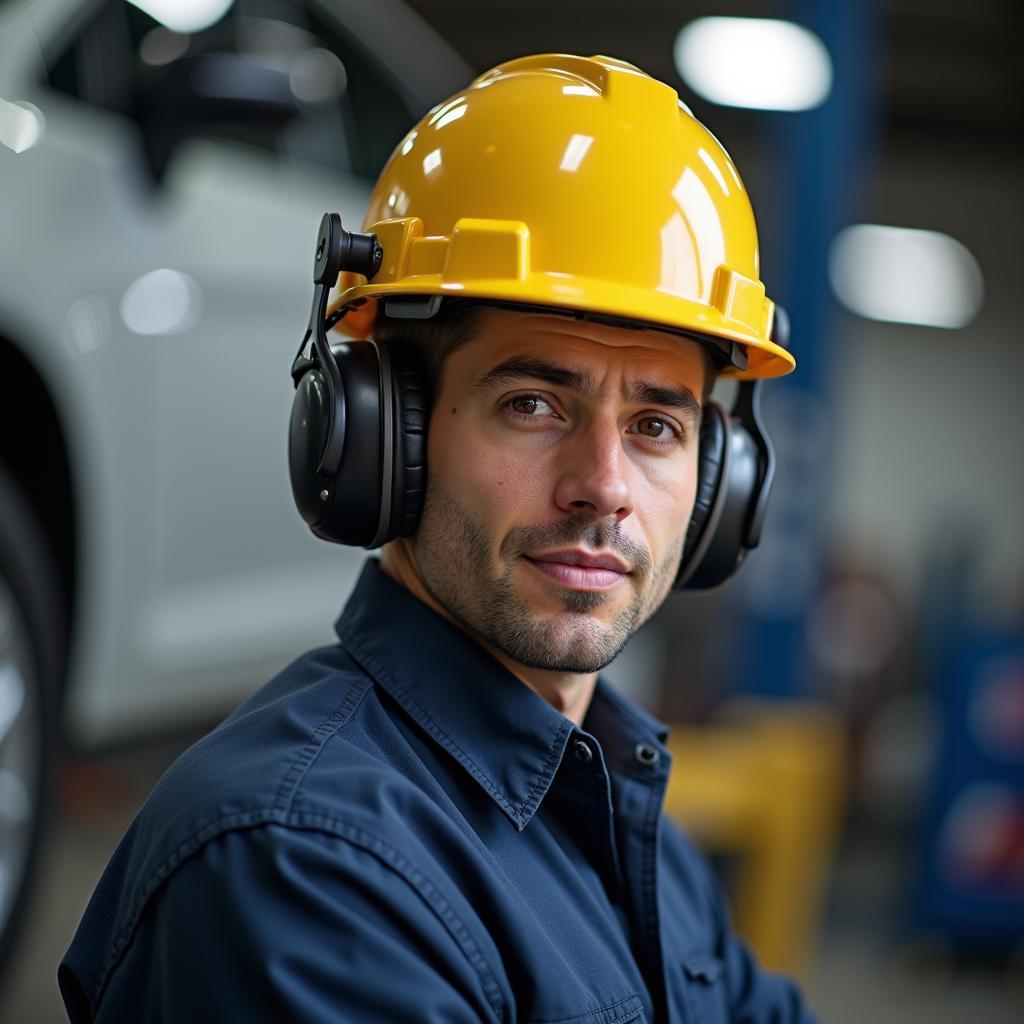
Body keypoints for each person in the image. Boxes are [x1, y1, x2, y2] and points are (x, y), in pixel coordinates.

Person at [59, 54, 813, 1022]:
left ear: (722, 483)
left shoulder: (625, 819)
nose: (604, 486)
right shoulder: (301, 862)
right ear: (381, 432)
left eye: (656, 426)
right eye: (535, 403)